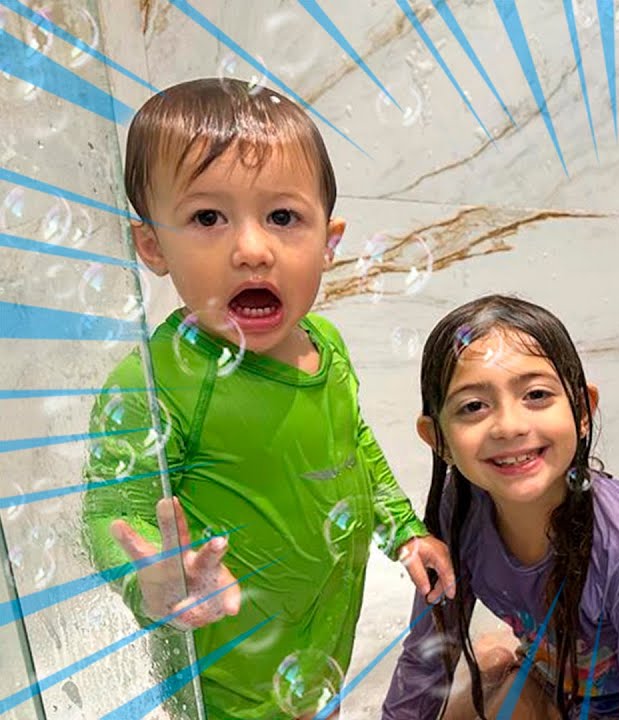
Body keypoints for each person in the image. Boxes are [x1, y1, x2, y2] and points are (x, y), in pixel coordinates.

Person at [81, 77, 455, 720]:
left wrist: (402, 529)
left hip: (319, 646)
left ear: (328, 241)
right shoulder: (157, 384)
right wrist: (153, 577)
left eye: (283, 217)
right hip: (225, 680)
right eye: (207, 217)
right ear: (152, 246)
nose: (253, 249)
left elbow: (353, 443)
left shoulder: (326, 343)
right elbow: (109, 513)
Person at [381, 295, 619, 720]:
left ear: (583, 412)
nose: (510, 426)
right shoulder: (459, 509)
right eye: (473, 406)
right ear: (437, 438)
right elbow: (428, 657)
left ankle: (503, 660)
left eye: (536, 394)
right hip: (551, 667)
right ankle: (504, 659)